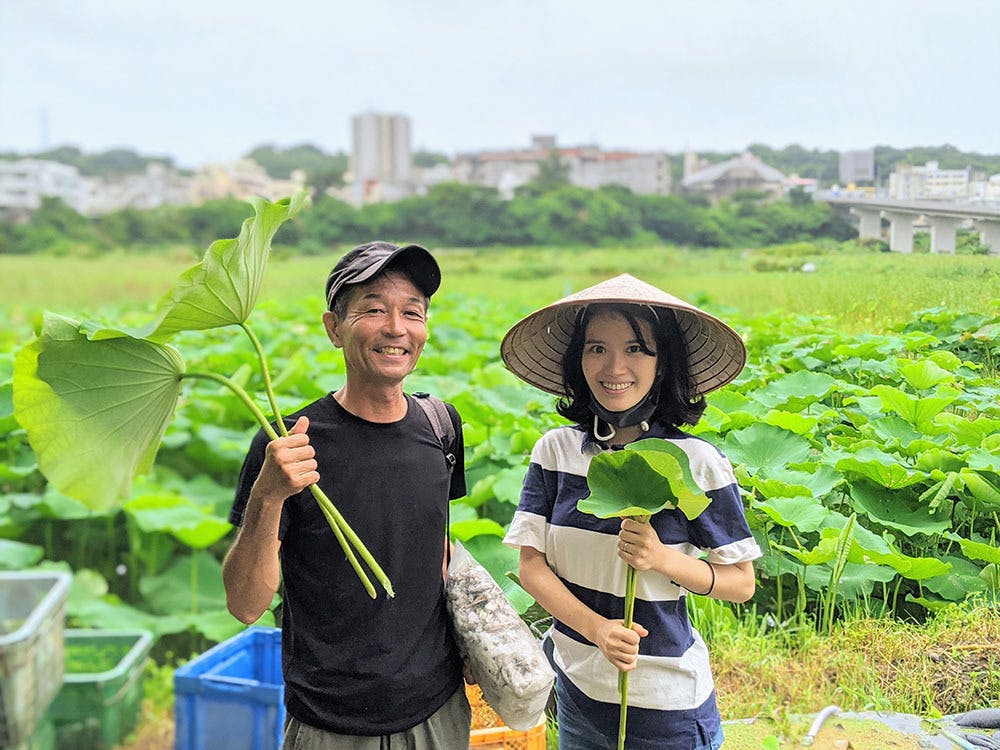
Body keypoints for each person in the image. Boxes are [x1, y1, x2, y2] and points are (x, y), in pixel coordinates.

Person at [222, 241, 471, 749]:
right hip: (329, 721)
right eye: (374, 309)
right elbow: (246, 605)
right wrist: (268, 497)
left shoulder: (442, 427)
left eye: (412, 312)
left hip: (438, 709)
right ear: (334, 328)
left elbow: (434, 550)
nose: (396, 328)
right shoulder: (288, 443)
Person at [500, 274, 762, 750]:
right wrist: (598, 630)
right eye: (596, 348)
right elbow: (530, 567)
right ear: (578, 361)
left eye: (637, 349)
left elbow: (741, 584)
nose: (614, 366)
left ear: (663, 364)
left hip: (666, 707)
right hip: (577, 693)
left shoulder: (698, 462)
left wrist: (664, 560)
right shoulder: (555, 453)